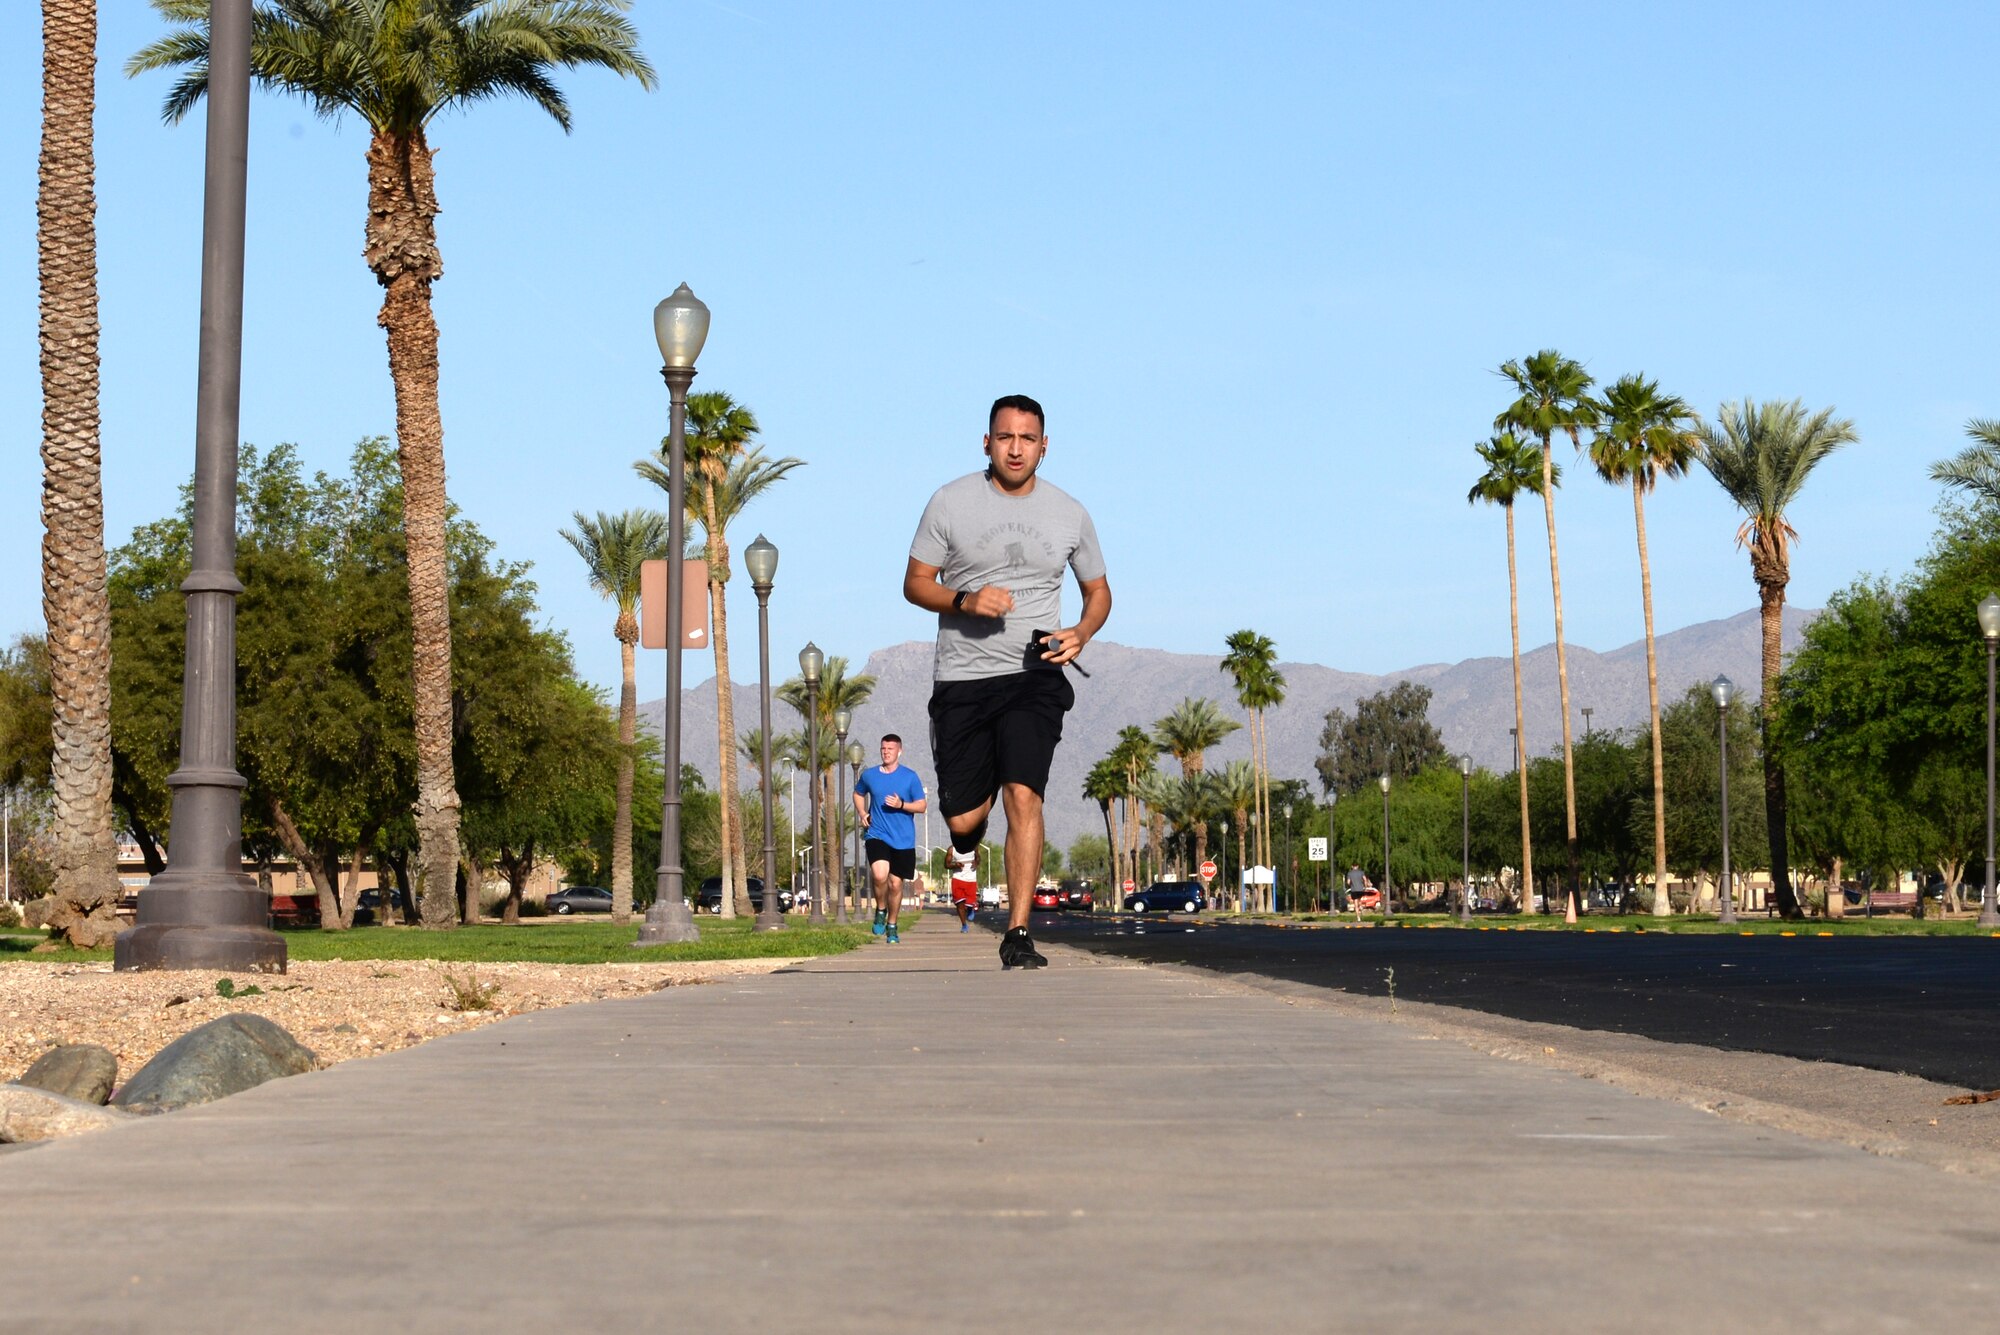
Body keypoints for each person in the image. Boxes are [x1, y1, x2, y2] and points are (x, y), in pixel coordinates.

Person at [903, 394, 1111, 969]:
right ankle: (966, 843)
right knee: (965, 818)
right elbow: (915, 582)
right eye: (1005, 437)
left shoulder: (1070, 512)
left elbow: (1098, 592)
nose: (1015, 448)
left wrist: (1082, 633)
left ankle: (1018, 933)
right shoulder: (950, 501)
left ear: (1044, 446)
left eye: (1027, 438)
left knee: (1025, 791)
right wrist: (964, 599)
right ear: (987, 442)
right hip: (964, 678)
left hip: (1033, 672)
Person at [852, 734, 927, 944]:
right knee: (879, 875)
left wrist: (902, 805)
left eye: (890, 749)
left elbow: (922, 806)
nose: (886, 752)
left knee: (895, 884)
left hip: (903, 839)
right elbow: (858, 794)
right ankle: (881, 909)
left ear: (899, 751)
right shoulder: (870, 775)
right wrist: (862, 813)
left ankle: (892, 925)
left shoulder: (910, 777)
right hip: (877, 833)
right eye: (883, 748)